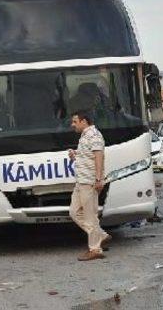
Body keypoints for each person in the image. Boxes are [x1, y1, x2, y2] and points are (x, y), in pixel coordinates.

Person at [68, 110, 111, 262]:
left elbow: (98, 156)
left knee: (90, 216)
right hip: (81, 181)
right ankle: (101, 235)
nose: (72, 125)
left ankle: (95, 249)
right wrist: (76, 154)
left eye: (75, 121)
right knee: (74, 212)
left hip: (90, 182)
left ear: (84, 121)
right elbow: (88, 155)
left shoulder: (94, 135)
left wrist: (99, 179)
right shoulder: (85, 136)